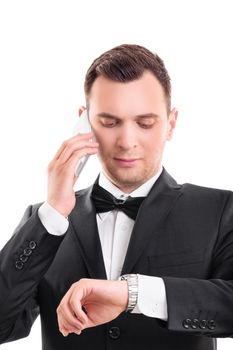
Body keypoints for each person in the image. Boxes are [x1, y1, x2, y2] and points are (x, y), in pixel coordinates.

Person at [0, 44, 233, 350]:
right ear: (84, 123)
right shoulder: (43, 222)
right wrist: (54, 212)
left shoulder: (218, 211)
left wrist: (132, 294)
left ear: (170, 124)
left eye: (145, 123)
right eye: (109, 122)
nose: (126, 142)